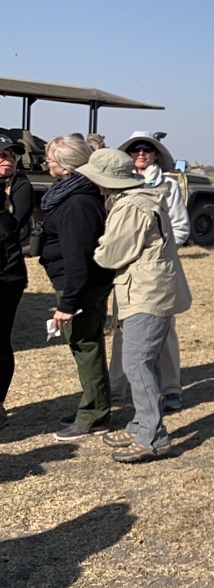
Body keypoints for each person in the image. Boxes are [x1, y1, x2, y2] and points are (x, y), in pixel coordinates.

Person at [80, 149, 191, 462]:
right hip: (148, 290)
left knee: (137, 363)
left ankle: (153, 437)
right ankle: (142, 424)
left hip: (146, 293)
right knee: (145, 362)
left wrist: (95, 248)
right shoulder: (139, 198)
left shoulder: (131, 206)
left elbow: (111, 255)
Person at [41, 136, 115, 442]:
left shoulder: (77, 203)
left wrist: (69, 303)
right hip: (80, 284)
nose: (46, 162)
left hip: (82, 287)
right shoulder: (73, 192)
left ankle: (94, 416)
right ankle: (92, 406)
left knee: (85, 346)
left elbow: (78, 257)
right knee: (85, 345)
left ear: (67, 164)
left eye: (50, 158)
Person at [109, 132, 190, 411]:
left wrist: (159, 252)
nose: (141, 153)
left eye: (147, 149)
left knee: (164, 332)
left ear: (156, 155)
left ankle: (170, 388)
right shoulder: (118, 184)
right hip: (125, 270)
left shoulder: (168, 185)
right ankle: (116, 387)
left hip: (157, 272)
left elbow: (181, 227)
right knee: (121, 327)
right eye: (135, 149)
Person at [0, 134, 35, 430]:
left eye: (11, 155)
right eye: (2, 154)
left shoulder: (20, 186)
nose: (8, 159)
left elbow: (10, 228)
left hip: (7, 275)